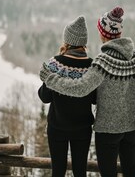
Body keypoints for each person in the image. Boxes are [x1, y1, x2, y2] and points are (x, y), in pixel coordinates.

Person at [39, 6, 135, 177]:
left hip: (108, 130)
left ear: (102, 33)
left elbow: (80, 89)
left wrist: (51, 79)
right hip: (132, 128)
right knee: (130, 173)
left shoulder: (102, 62)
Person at [38, 16, 96, 177]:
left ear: (67, 41)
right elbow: (95, 99)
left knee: (58, 171)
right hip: (83, 129)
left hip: (57, 128)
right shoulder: (92, 66)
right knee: (80, 172)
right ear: (84, 42)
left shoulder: (55, 64)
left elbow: (44, 97)